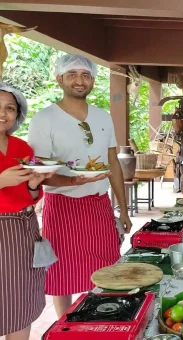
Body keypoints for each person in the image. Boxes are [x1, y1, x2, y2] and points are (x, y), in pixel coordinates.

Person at [27, 54, 132, 318]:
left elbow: (112, 163)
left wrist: (124, 209)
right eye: (72, 75)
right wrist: (73, 180)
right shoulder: (45, 118)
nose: (79, 81)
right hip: (61, 205)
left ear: (93, 81)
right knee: (61, 271)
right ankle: (64, 324)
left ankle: (101, 318)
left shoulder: (102, 117)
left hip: (98, 204)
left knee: (106, 265)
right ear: (59, 79)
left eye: (85, 75)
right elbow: (40, 172)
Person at [0, 82, 52, 340]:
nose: (3, 114)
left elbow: (31, 197)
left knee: (21, 298)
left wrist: (34, 183)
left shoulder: (22, 149)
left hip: (24, 230)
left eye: (10, 108)